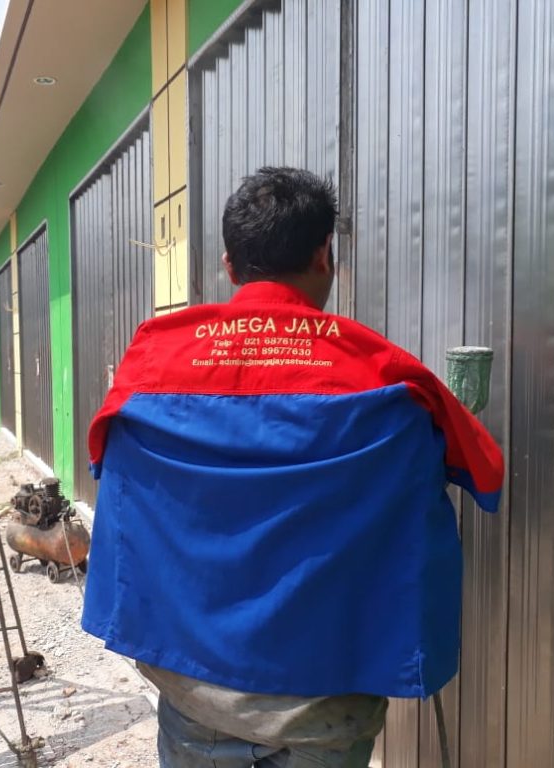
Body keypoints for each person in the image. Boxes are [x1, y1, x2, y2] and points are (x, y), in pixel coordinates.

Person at [82, 167, 504, 767]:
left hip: (193, 689)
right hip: (327, 698)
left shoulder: (151, 358)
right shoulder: (383, 371)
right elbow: (483, 471)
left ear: (230, 265)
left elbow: (110, 466)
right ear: (324, 254)